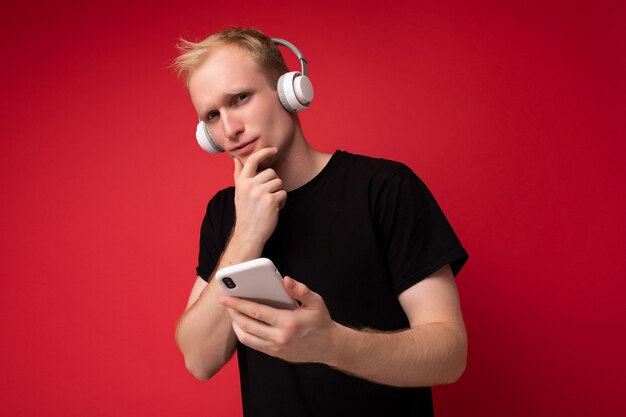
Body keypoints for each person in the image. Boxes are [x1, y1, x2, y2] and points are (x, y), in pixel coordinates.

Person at [173, 27, 469, 417]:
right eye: (212, 115)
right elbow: (198, 359)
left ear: (289, 91)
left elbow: (450, 356)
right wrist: (247, 233)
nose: (229, 130)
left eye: (240, 98)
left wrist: (332, 344)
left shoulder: (384, 188)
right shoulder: (225, 214)